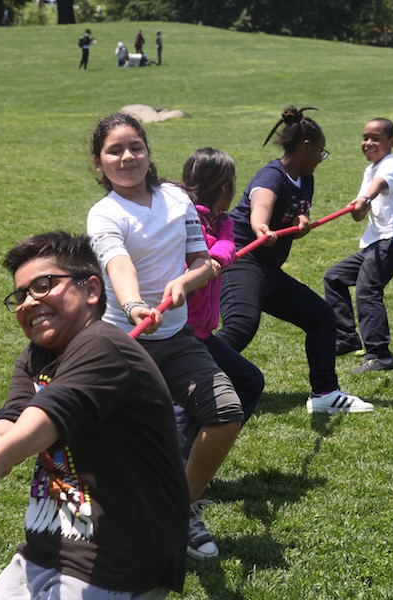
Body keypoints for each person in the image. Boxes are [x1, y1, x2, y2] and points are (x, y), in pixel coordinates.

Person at [0, 232, 189, 599]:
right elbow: (14, 415)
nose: (29, 302)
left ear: (91, 290)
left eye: (44, 285)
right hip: (50, 544)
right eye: (20, 295)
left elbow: (48, 416)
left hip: (121, 559)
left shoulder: (104, 346)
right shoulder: (36, 355)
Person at [87, 113, 245, 560]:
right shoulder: (104, 214)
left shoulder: (176, 199)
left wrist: (185, 283)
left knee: (226, 412)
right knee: (113, 442)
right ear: (99, 164)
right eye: (114, 150)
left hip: (177, 339)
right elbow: (119, 265)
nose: (127, 157)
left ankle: (181, 507)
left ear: (148, 152)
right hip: (125, 341)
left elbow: (204, 260)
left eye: (135, 146)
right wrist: (136, 305)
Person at [216, 105, 374, 414]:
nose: (321, 158)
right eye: (320, 152)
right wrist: (261, 226)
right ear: (306, 147)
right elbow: (261, 203)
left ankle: (325, 394)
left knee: (321, 317)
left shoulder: (305, 177)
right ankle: (186, 382)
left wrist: (302, 221)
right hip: (242, 262)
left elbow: (296, 216)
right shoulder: (272, 175)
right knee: (241, 326)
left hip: (269, 270)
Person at [175, 148, 265, 460]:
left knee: (249, 381)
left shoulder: (221, 220)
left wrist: (213, 257)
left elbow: (228, 244)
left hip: (203, 334)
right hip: (181, 334)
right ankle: (175, 473)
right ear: (225, 187)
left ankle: (200, 456)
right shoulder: (184, 216)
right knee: (186, 406)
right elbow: (189, 248)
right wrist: (202, 261)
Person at [323, 118, 393, 373]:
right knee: (334, 277)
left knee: (367, 287)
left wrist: (365, 197)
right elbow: (361, 214)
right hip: (375, 242)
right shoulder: (370, 170)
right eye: (365, 137)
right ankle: (346, 338)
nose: (368, 143)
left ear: (392, 142)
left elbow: (379, 187)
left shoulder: (391, 164)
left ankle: (380, 355)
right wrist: (358, 207)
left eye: (376, 138)